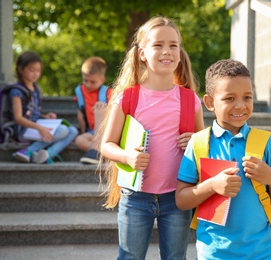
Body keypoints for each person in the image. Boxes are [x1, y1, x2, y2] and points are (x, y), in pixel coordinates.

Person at [98, 16, 205, 259]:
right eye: (158, 45)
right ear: (142, 53)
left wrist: (195, 144)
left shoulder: (191, 100)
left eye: (173, 45)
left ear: (179, 53)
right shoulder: (127, 98)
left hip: (177, 198)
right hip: (135, 197)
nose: (167, 51)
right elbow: (106, 145)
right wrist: (127, 156)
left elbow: (205, 145)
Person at [176, 59, 271, 259]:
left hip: (262, 252)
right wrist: (212, 185)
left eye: (247, 97)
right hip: (214, 253)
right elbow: (182, 199)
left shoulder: (265, 142)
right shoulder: (199, 143)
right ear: (210, 103)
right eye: (229, 98)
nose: (240, 105)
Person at [11, 51, 78, 164]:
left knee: (73, 131)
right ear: (20, 69)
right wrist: (39, 127)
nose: (35, 74)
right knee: (62, 130)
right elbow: (18, 118)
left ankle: (47, 155)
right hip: (24, 129)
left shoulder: (36, 89)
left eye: (38, 70)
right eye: (32, 70)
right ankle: (27, 151)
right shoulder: (16, 91)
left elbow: (33, 112)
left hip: (36, 125)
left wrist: (46, 116)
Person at [74, 56, 110, 164]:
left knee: (100, 108)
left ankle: (96, 150)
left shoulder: (108, 92)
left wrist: (105, 107)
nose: (88, 84)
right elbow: (81, 113)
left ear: (102, 80)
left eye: (93, 82)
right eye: (85, 80)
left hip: (107, 131)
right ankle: (103, 154)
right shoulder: (80, 92)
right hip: (92, 132)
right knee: (79, 140)